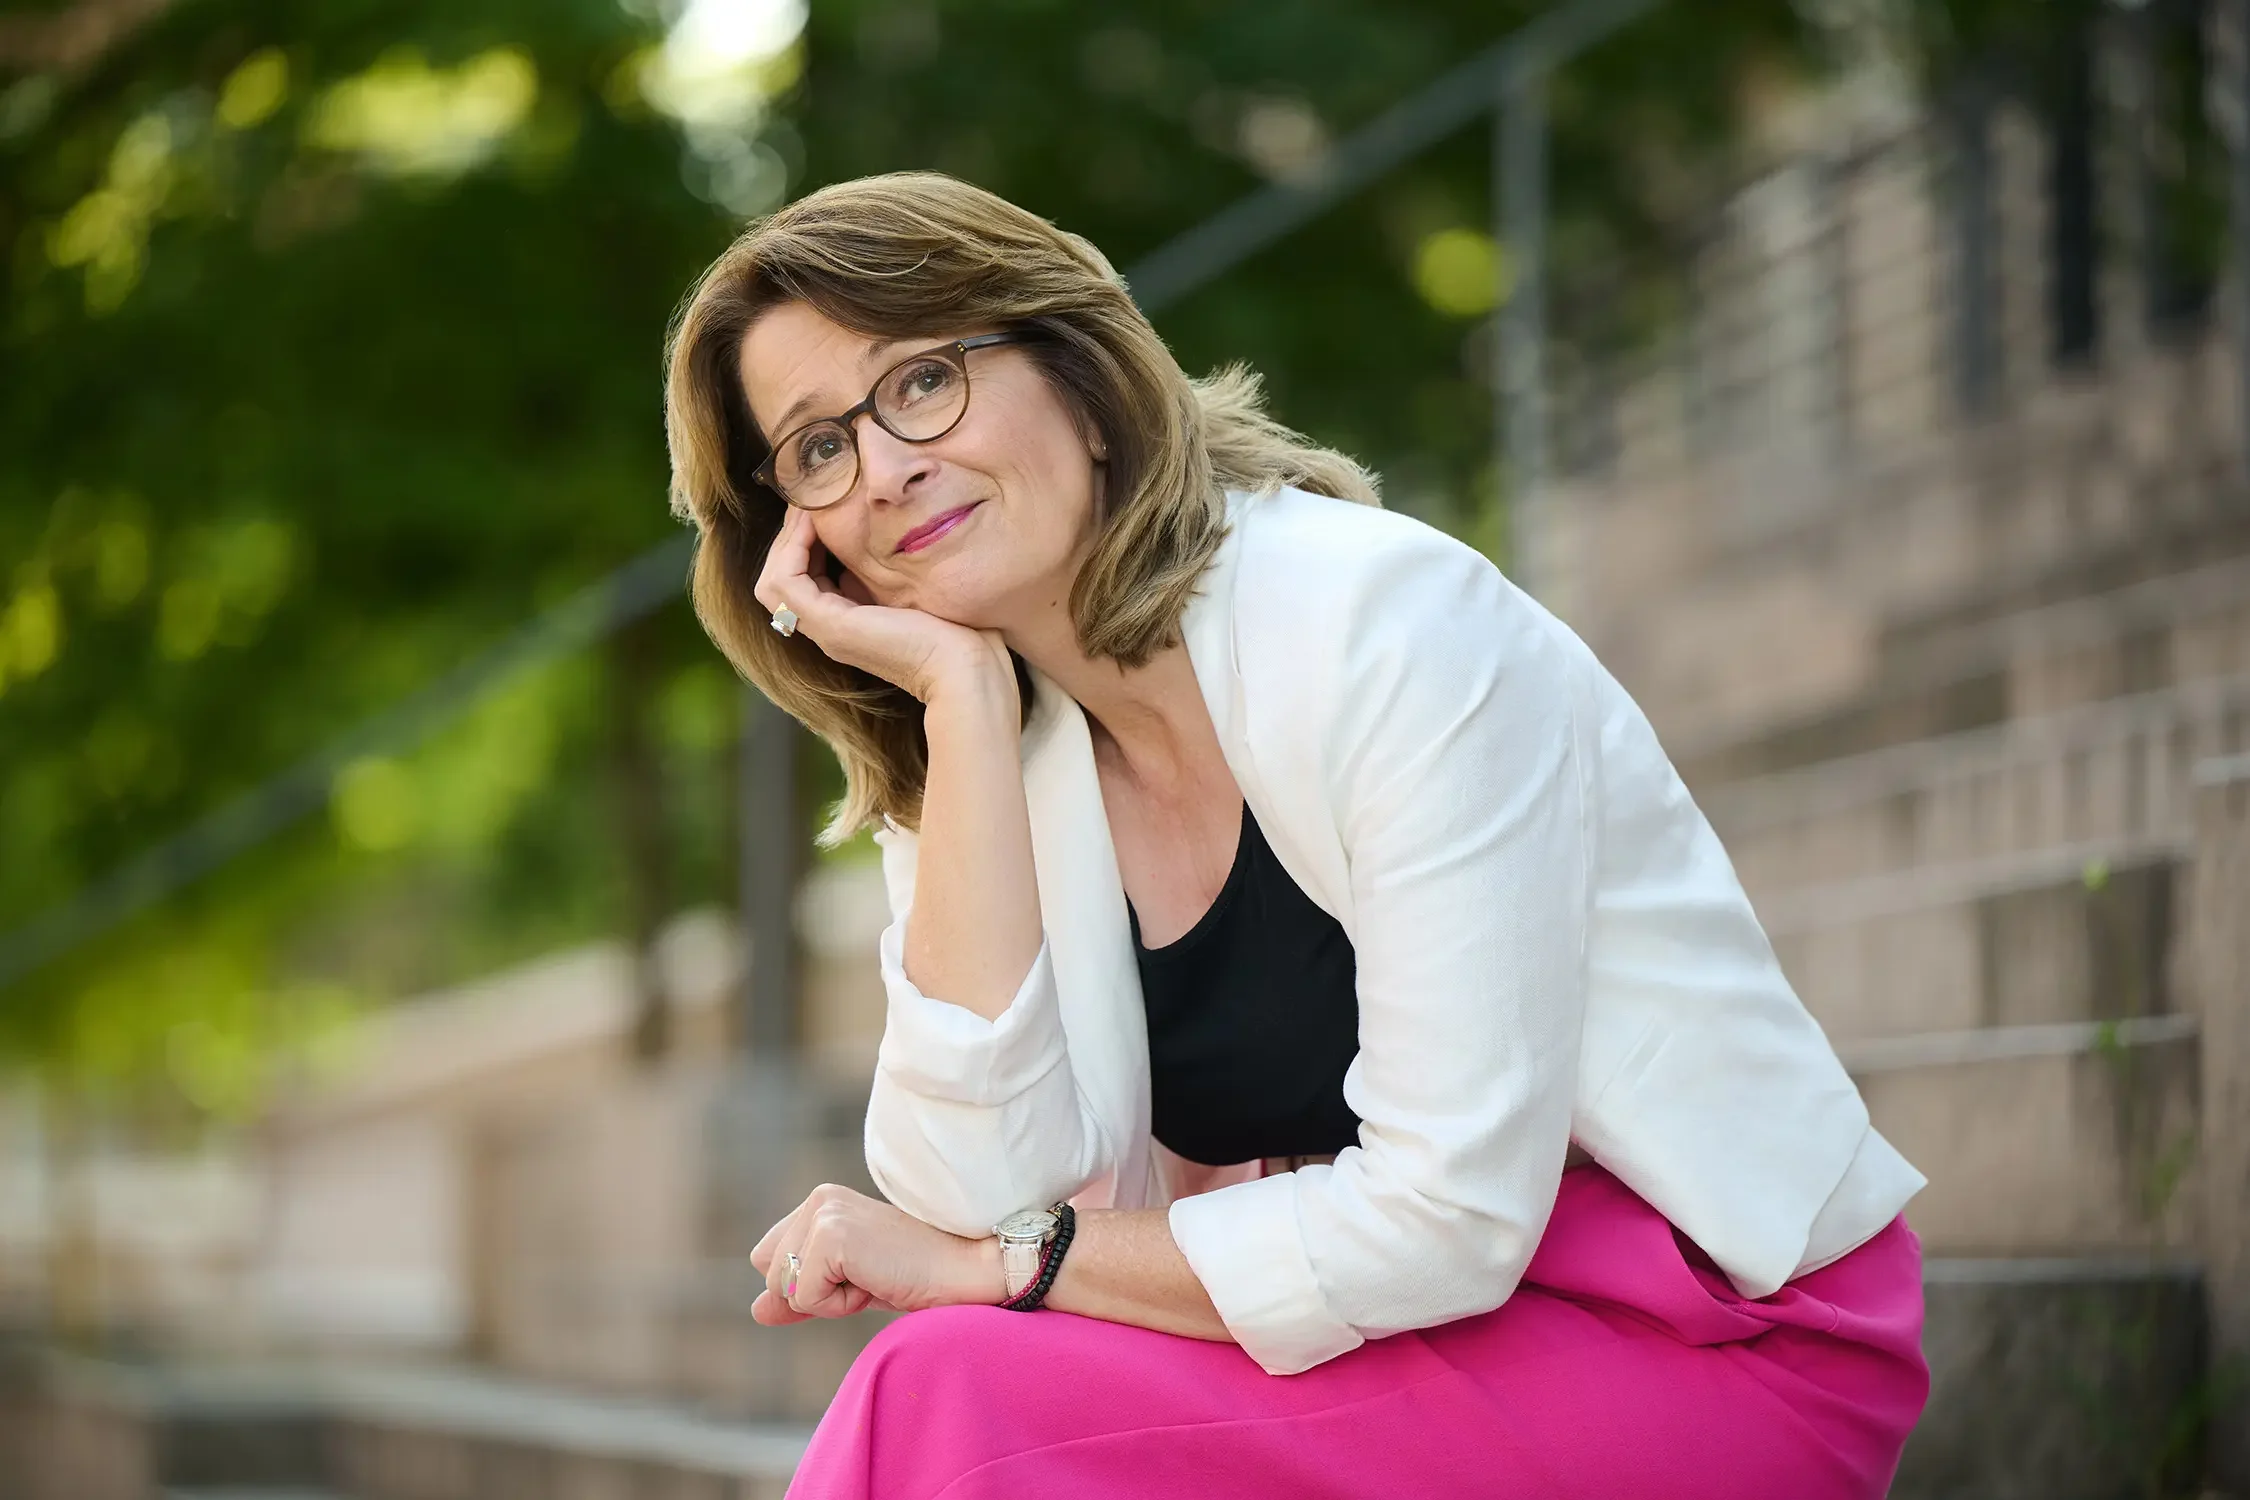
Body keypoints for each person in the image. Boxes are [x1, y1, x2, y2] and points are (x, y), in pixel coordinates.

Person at [662, 170, 1930, 1500]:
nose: (884, 466)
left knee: (946, 1396)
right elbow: (975, 1184)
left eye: (921, 382)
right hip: (1387, 1334)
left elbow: (1446, 1218)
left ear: (1077, 374)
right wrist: (967, 711)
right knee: (945, 1382)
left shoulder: (1383, 624)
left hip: (1698, 1328)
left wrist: (1013, 1262)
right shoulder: (988, 751)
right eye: (818, 448)